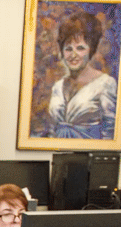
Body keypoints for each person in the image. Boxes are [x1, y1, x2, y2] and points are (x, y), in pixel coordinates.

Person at [46, 11, 117, 140]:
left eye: (80, 48)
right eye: (68, 49)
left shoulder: (106, 84)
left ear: (91, 49)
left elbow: (110, 133)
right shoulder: (58, 87)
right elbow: (52, 130)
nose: (73, 55)